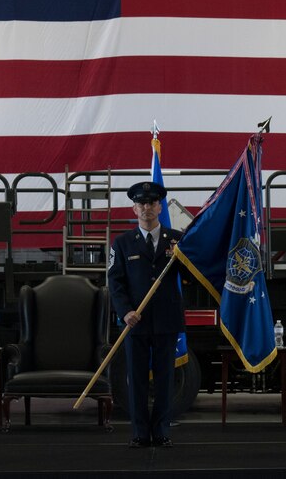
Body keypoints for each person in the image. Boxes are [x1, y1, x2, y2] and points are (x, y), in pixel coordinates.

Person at [108, 181, 185, 448]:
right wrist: (125, 311)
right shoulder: (122, 243)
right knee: (137, 378)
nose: (146, 208)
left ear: (160, 206)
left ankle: (162, 430)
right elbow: (115, 282)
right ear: (134, 208)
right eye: (141, 203)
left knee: (164, 379)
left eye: (151, 203)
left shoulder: (177, 240)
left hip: (166, 319)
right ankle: (140, 432)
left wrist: (186, 256)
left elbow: (192, 275)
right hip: (134, 321)